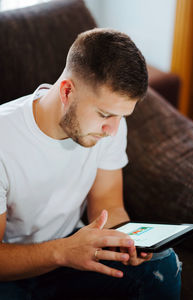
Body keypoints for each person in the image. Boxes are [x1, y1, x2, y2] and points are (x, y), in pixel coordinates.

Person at [0, 28, 181, 299]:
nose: (112, 129)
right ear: (67, 91)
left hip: (70, 254)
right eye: (105, 114)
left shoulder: (112, 126)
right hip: (13, 270)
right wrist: (62, 252)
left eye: (122, 116)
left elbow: (108, 205)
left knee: (163, 266)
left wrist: (127, 245)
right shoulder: (6, 139)